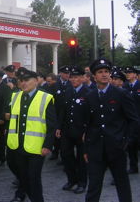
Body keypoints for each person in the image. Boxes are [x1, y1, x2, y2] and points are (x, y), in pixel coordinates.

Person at [83, 59, 139, 202]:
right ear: (94, 76)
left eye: (106, 72)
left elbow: (133, 120)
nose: (104, 75)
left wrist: (127, 141)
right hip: (96, 149)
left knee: (122, 184)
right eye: (100, 72)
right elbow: (87, 125)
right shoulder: (89, 96)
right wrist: (86, 149)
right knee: (94, 186)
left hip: (116, 147)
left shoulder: (121, 94)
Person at [6, 68, 56, 202]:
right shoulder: (15, 96)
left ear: (36, 81)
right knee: (23, 177)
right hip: (18, 144)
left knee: (33, 178)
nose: (23, 83)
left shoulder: (45, 98)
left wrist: (47, 145)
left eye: (26, 80)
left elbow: (51, 125)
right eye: (20, 81)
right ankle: (26, 195)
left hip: (36, 147)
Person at [56, 65, 90, 194]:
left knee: (82, 159)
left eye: (76, 77)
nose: (74, 80)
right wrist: (59, 127)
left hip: (81, 131)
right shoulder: (68, 91)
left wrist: (87, 131)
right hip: (67, 130)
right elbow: (63, 111)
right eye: (72, 77)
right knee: (65, 155)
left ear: (82, 78)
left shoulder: (88, 92)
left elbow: (91, 115)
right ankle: (72, 179)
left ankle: (82, 182)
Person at [123, 66, 140, 174]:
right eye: (127, 73)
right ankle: (133, 166)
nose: (128, 74)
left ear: (135, 74)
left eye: (130, 73)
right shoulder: (125, 86)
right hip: (130, 120)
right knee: (131, 144)